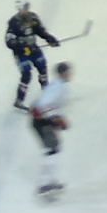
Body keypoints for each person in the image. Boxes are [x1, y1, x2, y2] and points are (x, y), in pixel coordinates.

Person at [6, 0, 61, 109]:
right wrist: (21, 47)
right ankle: (19, 100)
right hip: (22, 53)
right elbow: (9, 41)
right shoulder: (14, 23)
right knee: (26, 74)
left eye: (27, 7)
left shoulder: (33, 18)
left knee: (42, 68)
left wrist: (50, 39)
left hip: (33, 49)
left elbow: (40, 31)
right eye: (23, 8)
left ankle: (46, 95)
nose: (26, 10)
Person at [30, 62, 72, 200]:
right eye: (68, 72)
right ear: (63, 73)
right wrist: (55, 119)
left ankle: (51, 181)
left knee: (53, 149)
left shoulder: (56, 85)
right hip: (42, 121)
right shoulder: (58, 88)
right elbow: (42, 107)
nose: (70, 74)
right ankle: (44, 184)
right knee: (52, 151)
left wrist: (57, 117)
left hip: (43, 121)